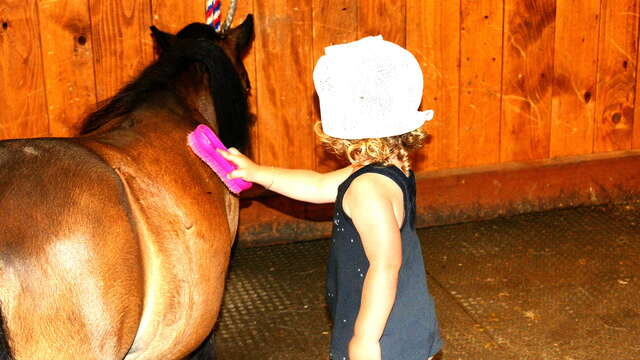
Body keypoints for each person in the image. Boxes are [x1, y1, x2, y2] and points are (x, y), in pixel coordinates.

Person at [219, 35, 442, 360]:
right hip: (400, 318)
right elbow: (317, 186)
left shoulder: (367, 190)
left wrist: (365, 339)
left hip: (385, 334)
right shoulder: (387, 169)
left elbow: (385, 266)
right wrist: (258, 173)